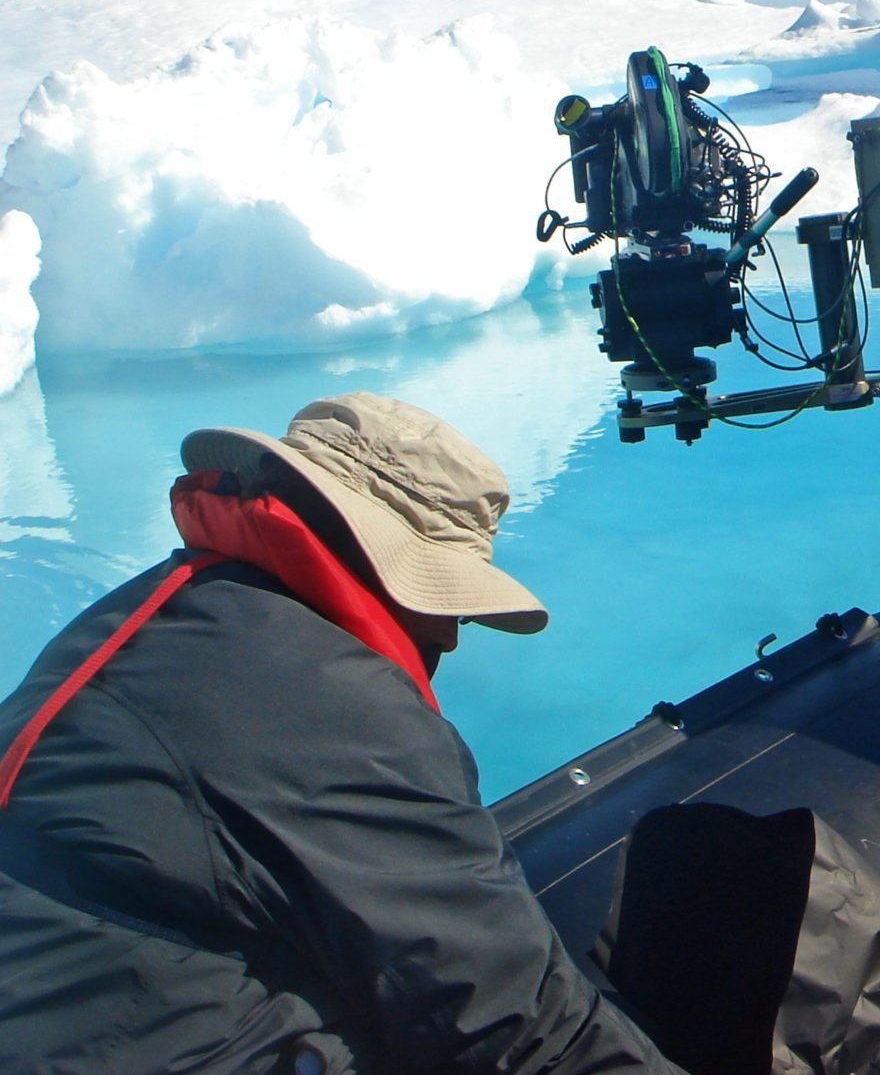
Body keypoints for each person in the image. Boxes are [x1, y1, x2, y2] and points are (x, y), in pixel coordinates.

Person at [0, 393, 683, 1074]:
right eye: (445, 603)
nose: (447, 632)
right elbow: (518, 1024)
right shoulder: (325, 700)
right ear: (371, 553)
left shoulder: (153, 616)